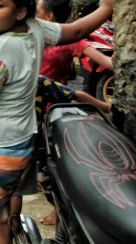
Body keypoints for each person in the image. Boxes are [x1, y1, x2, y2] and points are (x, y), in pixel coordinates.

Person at [0, 0, 113, 244]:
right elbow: (75, 31)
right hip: (20, 141)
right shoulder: (35, 29)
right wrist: (106, 8)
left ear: (20, 12)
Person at [9, 75, 111, 226]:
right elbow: (76, 95)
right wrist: (107, 108)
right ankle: (13, 222)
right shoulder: (36, 80)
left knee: (14, 190)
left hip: (7, 143)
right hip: (30, 142)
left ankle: (11, 223)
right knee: (25, 186)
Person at [37, 0, 113, 85]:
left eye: (37, 11)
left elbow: (108, 62)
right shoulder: (72, 40)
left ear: (49, 16)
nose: (34, 15)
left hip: (51, 97)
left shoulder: (72, 40)